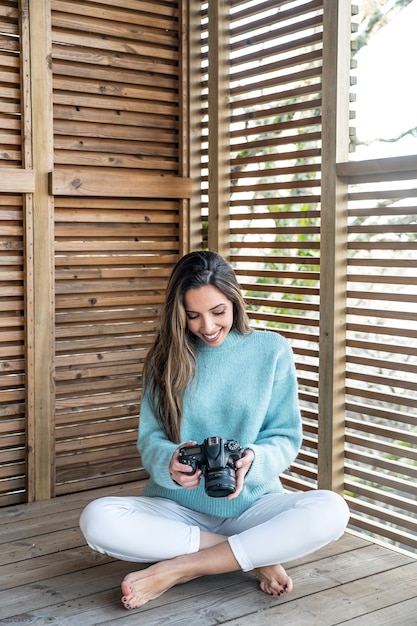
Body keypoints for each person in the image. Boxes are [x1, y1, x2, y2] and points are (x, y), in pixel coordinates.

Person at [79, 250, 349, 611]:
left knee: (331, 509)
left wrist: (253, 460)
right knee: (96, 520)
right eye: (193, 316)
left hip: (252, 504)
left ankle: (180, 568)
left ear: (235, 301)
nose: (206, 327)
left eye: (218, 311)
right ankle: (251, 553)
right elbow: (150, 439)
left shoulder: (271, 349)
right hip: (177, 507)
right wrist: (171, 463)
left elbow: (285, 436)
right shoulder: (165, 358)